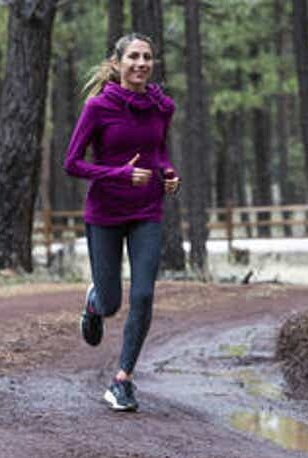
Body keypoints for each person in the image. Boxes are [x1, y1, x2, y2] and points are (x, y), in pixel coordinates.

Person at [63, 33, 180, 412]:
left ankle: (122, 380)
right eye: (133, 57)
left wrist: (168, 173)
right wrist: (119, 174)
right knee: (112, 302)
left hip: (147, 211)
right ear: (117, 64)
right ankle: (94, 303)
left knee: (143, 295)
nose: (141, 63)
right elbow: (72, 163)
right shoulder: (98, 107)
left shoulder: (161, 107)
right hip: (106, 213)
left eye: (147, 57)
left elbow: (158, 152)